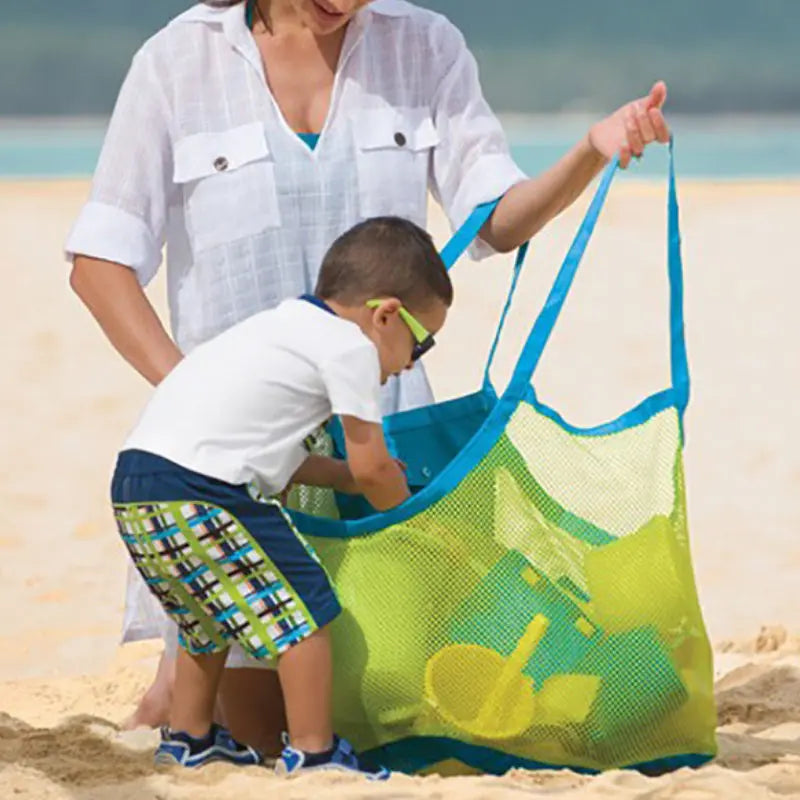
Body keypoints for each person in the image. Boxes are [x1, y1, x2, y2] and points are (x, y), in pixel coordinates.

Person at [66, 0, 669, 752]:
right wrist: (197, 396)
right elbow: (100, 263)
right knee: (257, 733)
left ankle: (192, 699)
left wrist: (590, 147)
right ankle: (192, 698)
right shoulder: (175, 60)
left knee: (390, 721)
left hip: (375, 455)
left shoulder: (426, 45)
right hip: (239, 481)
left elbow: (498, 219)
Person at [111, 216, 451, 775]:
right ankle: (315, 752)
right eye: (421, 342)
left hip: (138, 484)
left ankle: (191, 736)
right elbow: (372, 468)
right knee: (306, 612)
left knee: (204, 617)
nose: (412, 362)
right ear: (386, 314)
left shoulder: (284, 325)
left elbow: (285, 465)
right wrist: (407, 516)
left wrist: (342, 474)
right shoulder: (351, 349)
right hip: (205, 491)